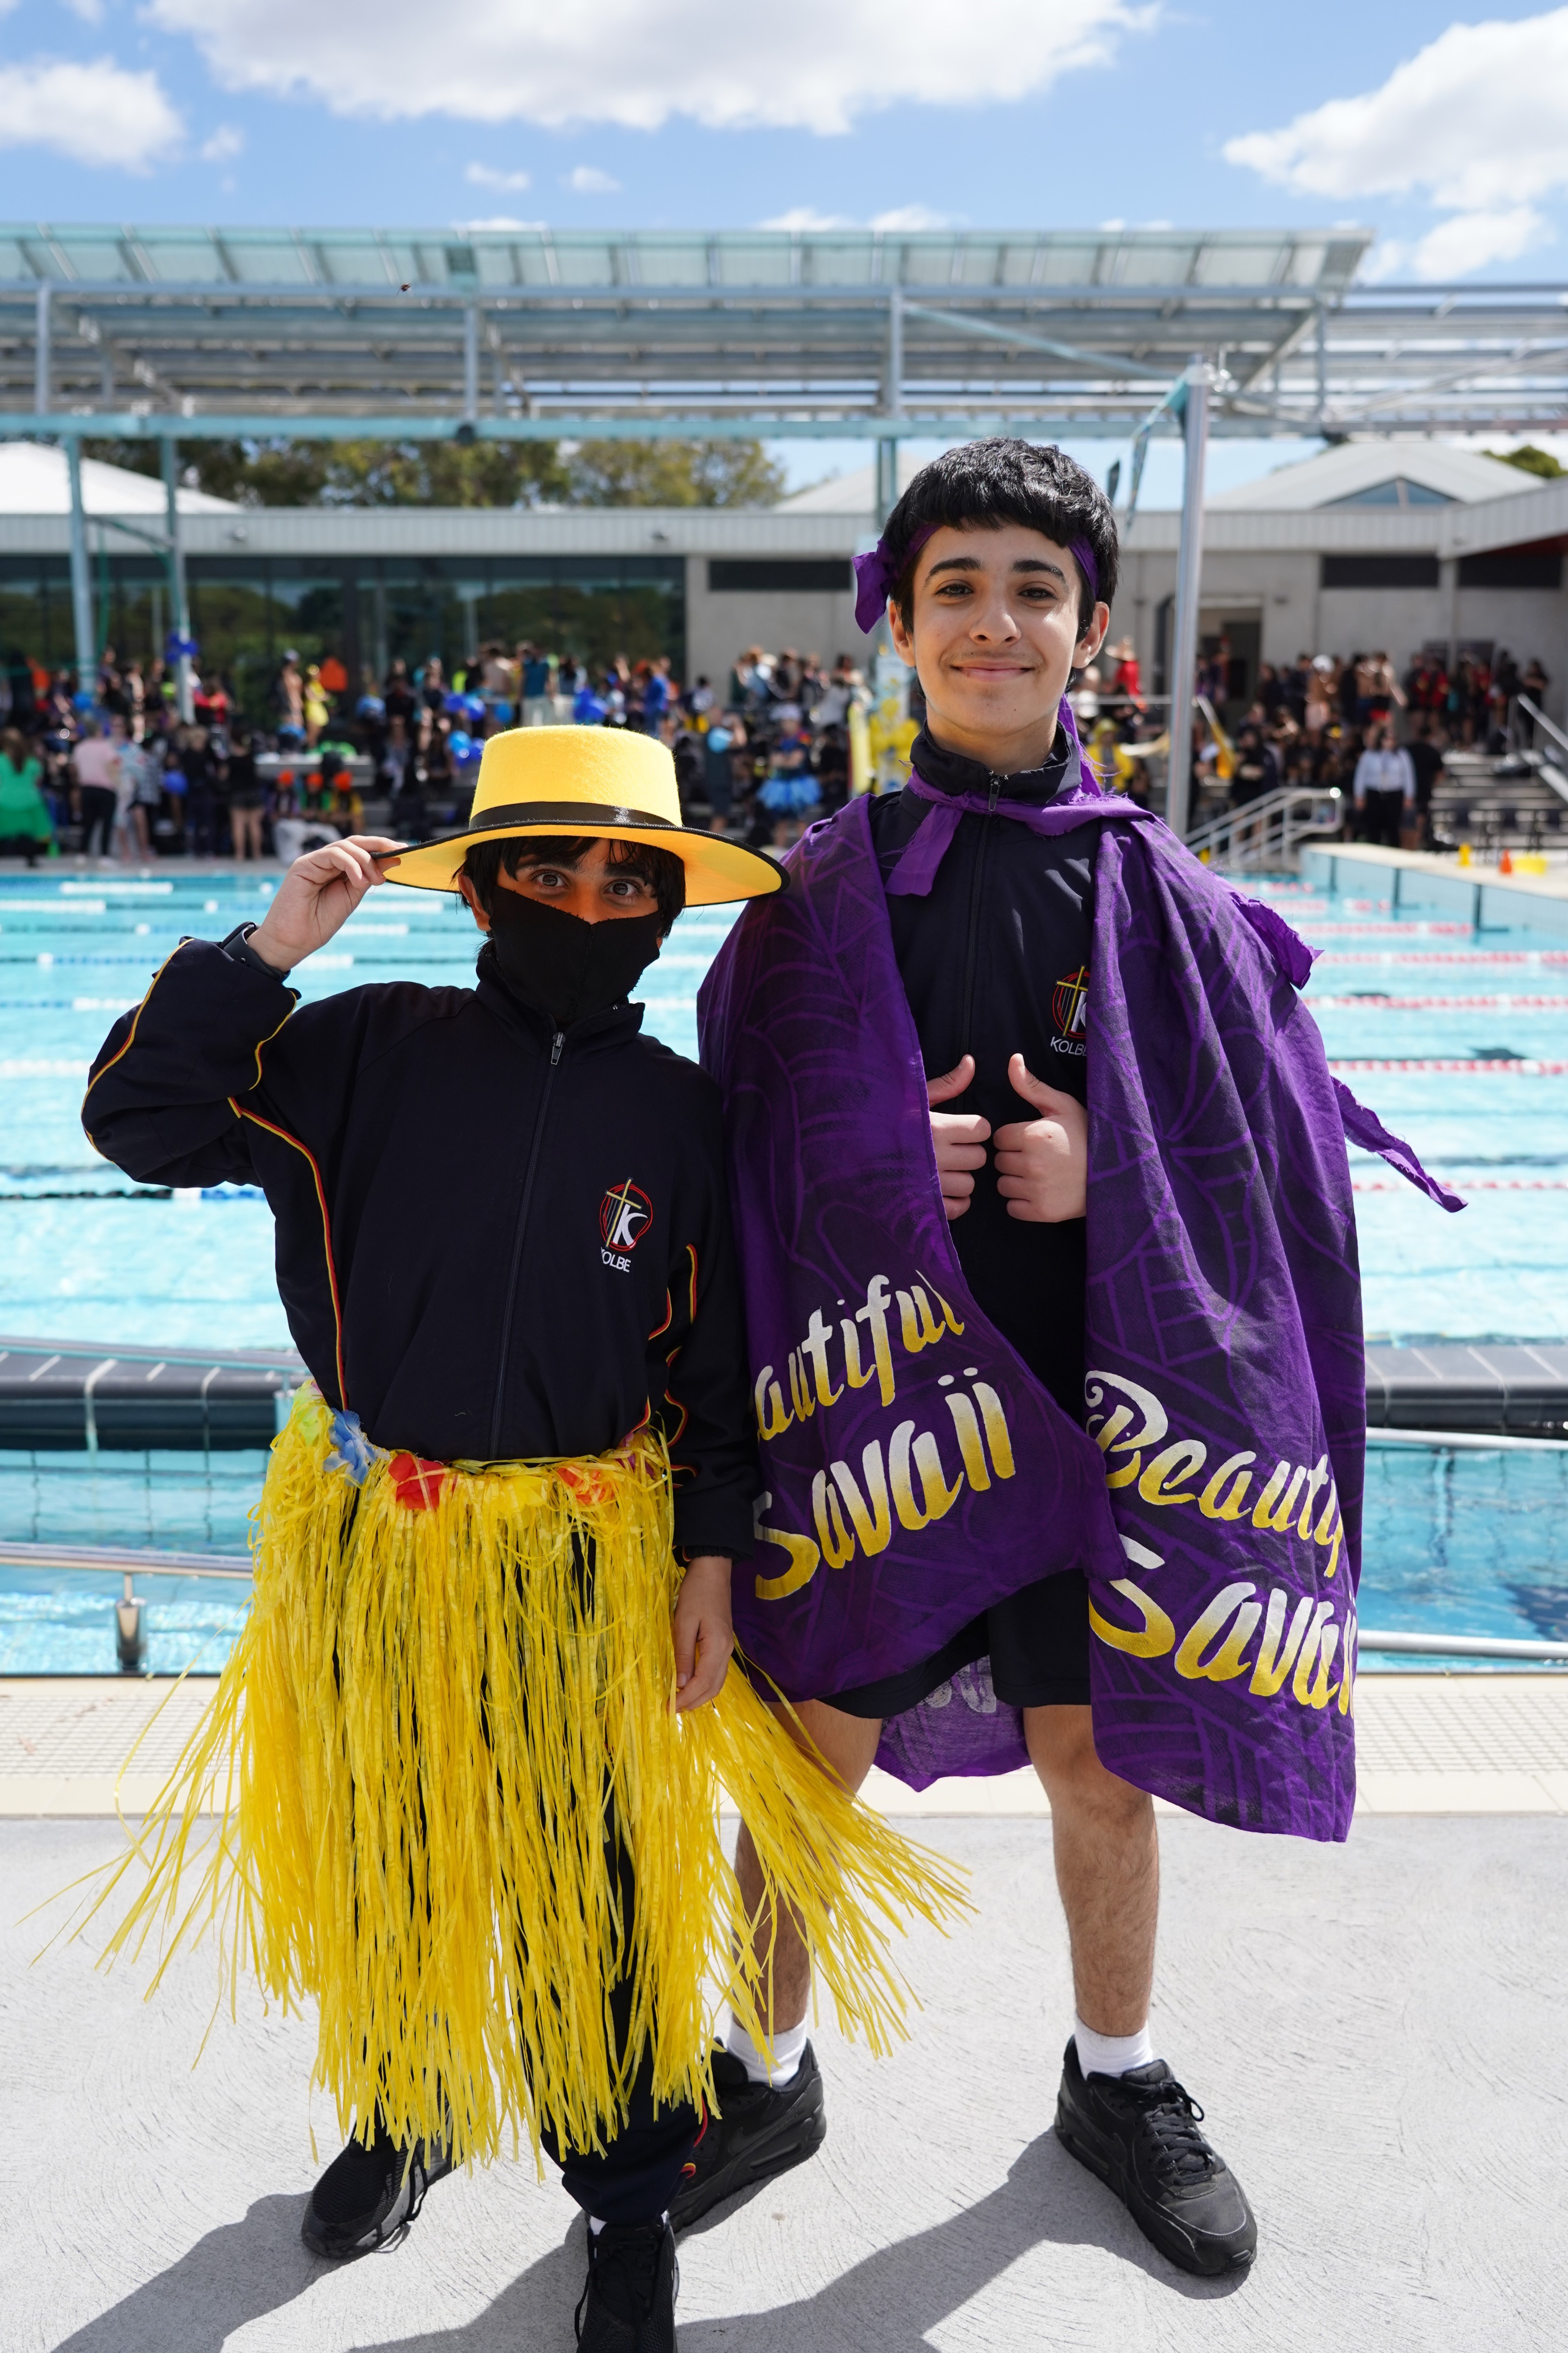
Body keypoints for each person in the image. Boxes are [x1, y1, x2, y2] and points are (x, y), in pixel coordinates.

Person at [78, 726, 961, 2352]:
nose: (588, 904)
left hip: (577, 1563)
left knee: (599, 1885)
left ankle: (627, 2205)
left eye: (626, 881)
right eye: (550, 873)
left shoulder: (678, 1116)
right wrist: (266, 954)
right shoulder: (362, 1048)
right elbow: (138, 1119)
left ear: (666, 910)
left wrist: (709, 1556)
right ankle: (406, 2109)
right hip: (380, 1548)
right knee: (395, 1852)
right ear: (484, 890)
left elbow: (709, 1373)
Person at [687, 437, 1458, 2280]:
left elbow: (1277, 1153)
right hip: (876, 1411)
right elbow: (727, 1155)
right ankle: (762, 2069)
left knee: (1097, 1767)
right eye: (954, 586)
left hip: (1100, 1416)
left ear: (1089, 628)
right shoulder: (812, 895)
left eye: (1032, 590)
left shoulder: (1160, 890)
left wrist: (1111, 1171)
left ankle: (1114, 2075)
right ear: (896, 622)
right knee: (806, 1760)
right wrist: (877, 1163)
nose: (994, 622)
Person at [1352, 723, 1414, 848]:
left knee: (1393, 826)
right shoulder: (1369, 754)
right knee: (1373, 826)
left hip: (1394, 794)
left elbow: (1408, 775)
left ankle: (1394, 851)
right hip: (1374, 793)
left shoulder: (1402, 755)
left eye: (1392, 739)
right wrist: (1359, 795)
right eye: (1386, 739)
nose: (1389, 742)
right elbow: (1361, 776)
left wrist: (1409, 795)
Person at [70, 717, 122, 865]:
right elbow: (114, 766)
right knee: (107, 823)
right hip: (106, 789)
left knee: (88, 823)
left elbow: (74, 769)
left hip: (86, 789)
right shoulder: (107, 747)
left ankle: (82, 854)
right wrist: (118, 783)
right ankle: (104, 856)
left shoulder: (80, 748)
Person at [0, 726, 53, 864]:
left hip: (5, 802)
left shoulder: (1, 760)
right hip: (30, 802)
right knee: (30, 836)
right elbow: (38, 780)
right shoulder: (30, 761)